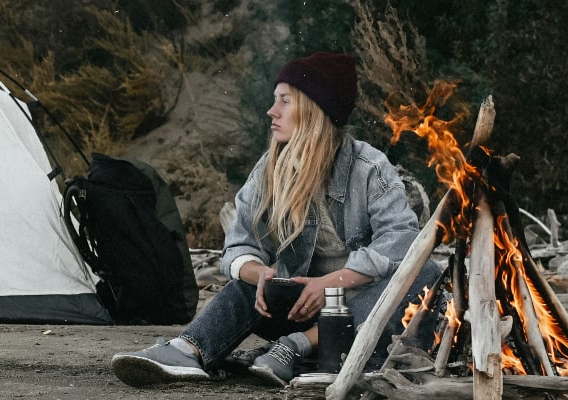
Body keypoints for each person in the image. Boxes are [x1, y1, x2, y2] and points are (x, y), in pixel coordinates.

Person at [110, 52, 440, 387]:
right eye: (274, 100)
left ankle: (298, 347)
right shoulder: (271, 167)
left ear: (314, 109)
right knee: (247, 284)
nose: (272, 111)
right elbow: (239, 245)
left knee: (426, 273)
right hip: (299, 310)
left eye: (284, 101)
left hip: (362, 314)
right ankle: (188, 350)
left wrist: (330, 284)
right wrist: (260, 273)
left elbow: (401, 242)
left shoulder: (369, 167)